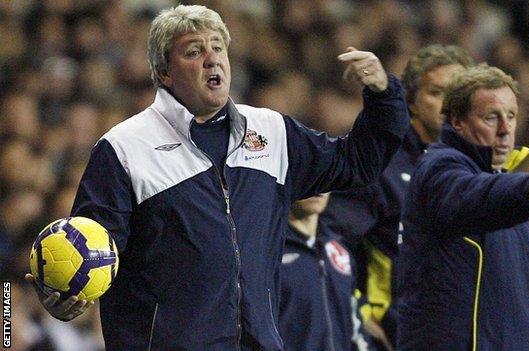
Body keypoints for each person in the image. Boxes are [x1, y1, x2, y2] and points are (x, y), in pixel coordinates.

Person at [25, 4, 409, 350]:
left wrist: (383, 94)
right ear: (165, 72)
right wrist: (65, 300)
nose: (212, 59)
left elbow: (357, 163)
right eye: (194, 51)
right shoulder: (124, 148)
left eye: (218, 48)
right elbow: (92, 253)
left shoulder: (272, 132)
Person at [397, 64, 529, 350]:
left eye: (511, 116)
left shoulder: (502, 186)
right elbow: (475, 195)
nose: (505, 130)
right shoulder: (439, 171)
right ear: (457, 122)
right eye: (491, 117)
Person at [322, 44, 474, 349]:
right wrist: (359, 312)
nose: (447, 105)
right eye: (436, 93)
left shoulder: (478, 168)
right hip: (397, 336)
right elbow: (332, 240)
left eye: (457, 95)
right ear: (412, 102)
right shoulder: (383, 163)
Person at [279, 193, 368, 350]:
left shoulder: (340, 251)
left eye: (325, 177)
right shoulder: (269, 253)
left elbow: (356, 328)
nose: (320, 187)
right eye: (312, 174)